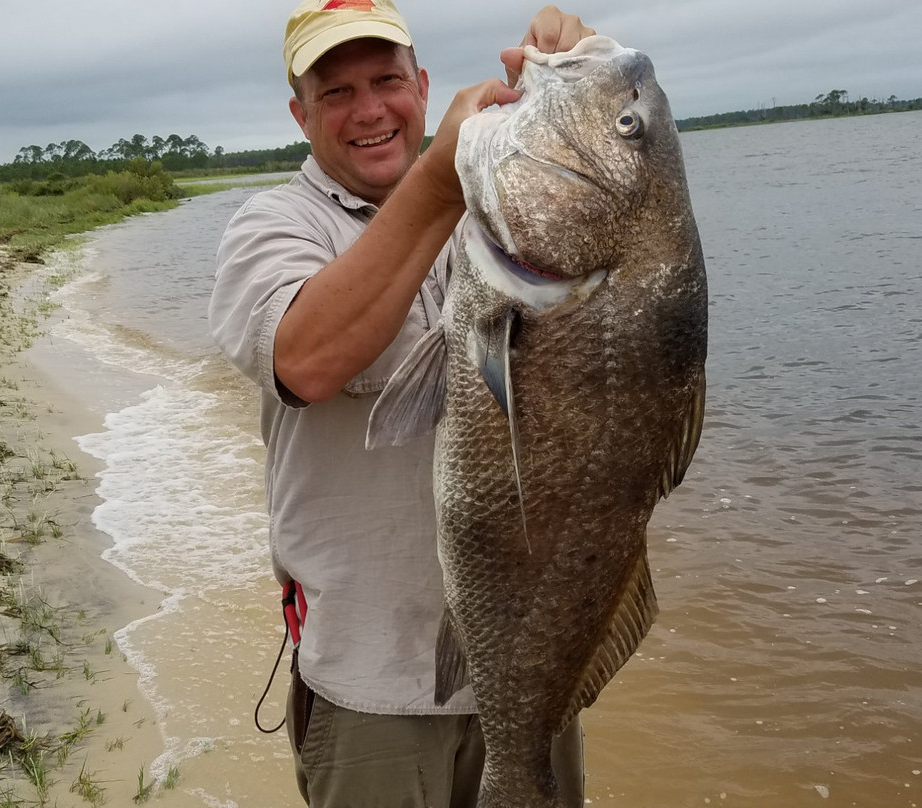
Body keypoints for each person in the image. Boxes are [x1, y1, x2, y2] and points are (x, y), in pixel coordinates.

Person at [209, 2, 595, 805]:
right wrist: (441, 180)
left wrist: (577, 81)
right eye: (336, 91)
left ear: (422, 86)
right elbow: (306, 360)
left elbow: (604, 236)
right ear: (300, 115)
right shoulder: (272, 226)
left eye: (386, 80)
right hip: (370, 688)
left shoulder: (496, 209)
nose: (370, 109)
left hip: (533, 660)